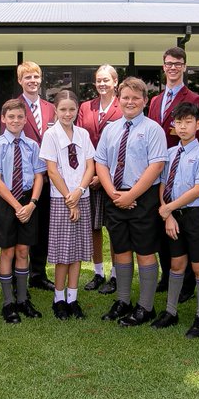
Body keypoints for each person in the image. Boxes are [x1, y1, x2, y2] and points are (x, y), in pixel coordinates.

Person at [94, 76, 168, 326]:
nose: (130, 102)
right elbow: (101, 163)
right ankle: (123, 300)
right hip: (115, 195)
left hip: (143, 198)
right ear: (118, 99)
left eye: (136, 98)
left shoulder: (153, 129)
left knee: (145, 251)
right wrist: (113, 193)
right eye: (125, 97)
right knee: (121, 250)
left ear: (145, 100)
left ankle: (146, 307)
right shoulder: (110, 129)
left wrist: (131, 195)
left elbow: (156, 166)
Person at [146, 46, 199, 301]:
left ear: (184, 67)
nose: (173, 67)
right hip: (157, 169)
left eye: (178, 64)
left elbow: (195, 135)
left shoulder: (194, 98)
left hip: (182, 168)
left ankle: (188, 282)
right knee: (162, 224)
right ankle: (168, 275)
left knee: (183, 228)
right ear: (163, 66)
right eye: (169, 63)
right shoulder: (155, 101)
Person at [154, 102, 199, 338]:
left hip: (193, 216)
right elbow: (163, 184)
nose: (182, 127)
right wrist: (168, 215)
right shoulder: (170, 153)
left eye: (188, 122)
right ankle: (171, 311)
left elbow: (197, 189)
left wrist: (168, 208)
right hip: (172, 217)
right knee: (176, 264)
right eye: (178, 122)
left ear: (198, 125)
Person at [0, 99, 45, 323]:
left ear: (25, 119)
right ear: (3, 119)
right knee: (8, 251)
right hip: (7, 201)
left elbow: (39, 176)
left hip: (28, 201)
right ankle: (8, 302)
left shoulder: (32, 145)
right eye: (11, 117)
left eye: (20, 117)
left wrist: (32, 204)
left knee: (23, 251)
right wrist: (16, 206)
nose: (15, 120)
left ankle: (22, 299)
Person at [39, 90, 96, 320]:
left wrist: (80, 191)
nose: (67, 113)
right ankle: (59, 298)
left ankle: (73, 298)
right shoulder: (50, 135)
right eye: (63, 109)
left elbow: (90, 166)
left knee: (77, 251)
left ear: (77, 110)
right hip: (61, 199)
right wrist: (69, 199)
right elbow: (52, 171)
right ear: (55, 110)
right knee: (63, 253)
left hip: (82, 197)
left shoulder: (83, 134)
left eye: (72, 109)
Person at [76, 64, 122, 294]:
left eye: (106, 80)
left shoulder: (123, 106)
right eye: (99, 80)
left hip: (114, 177)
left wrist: (103, 175)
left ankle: (115, 274)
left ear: (115, 82)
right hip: (90, 177)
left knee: (114, 228)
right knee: (94, 227)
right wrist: (91, 173)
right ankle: (98, 272)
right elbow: (80, 141)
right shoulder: (86, 107)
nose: (102, 84)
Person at [17, 60, 57, 291]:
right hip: (24, 178)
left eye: (35, 76)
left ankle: (38, 274)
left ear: (41, 79)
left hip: (48, 177)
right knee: (24, 226)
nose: (32, 81)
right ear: (20, 81)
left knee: (43, 227)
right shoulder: (14, 106)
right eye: (27, 77)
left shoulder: (51, 108)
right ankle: (17, 274)